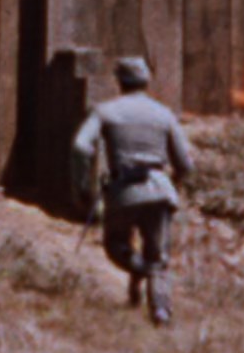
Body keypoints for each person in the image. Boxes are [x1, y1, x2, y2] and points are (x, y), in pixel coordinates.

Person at [72, 54, 195, 326]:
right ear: (146, 81)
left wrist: (82, 186)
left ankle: (139, 270)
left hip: (123, 191)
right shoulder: (164, 114)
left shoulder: (105, 111)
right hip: (159, 188)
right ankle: (161, 311)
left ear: (119, 81)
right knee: (158, 255)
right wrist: (175, 184)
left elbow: (81, 146)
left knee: (116, 245)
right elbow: (185, 163)